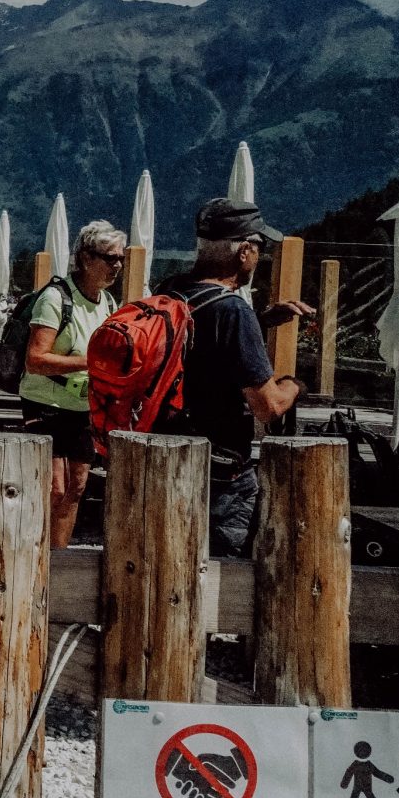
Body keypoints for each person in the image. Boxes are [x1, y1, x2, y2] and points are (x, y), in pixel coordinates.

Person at [155, 199, 312, 557]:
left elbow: (197, 341)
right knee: (218, 569)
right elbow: (268, 406)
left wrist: (261, 319)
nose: (258, 257)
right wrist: (294, 386)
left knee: (164, 555)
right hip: (218, 469)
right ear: (244, 251)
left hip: (162, 451)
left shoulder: (169, 291)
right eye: (258, 248)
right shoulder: (233, 312)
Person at [19, 220, 126, 548]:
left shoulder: (108, 303)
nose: (117, 266)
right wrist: (91, 363)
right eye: (110, 258)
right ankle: (31, 556)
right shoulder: (55, 298)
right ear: (85, 258)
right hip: (45, 403)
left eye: (121, 259)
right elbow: (35, 360)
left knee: (77, 486)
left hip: (82, 407)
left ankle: (57, 563)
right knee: (54, 487)